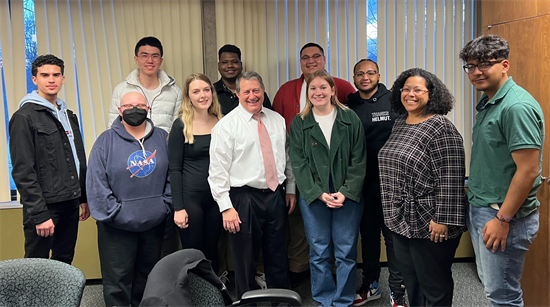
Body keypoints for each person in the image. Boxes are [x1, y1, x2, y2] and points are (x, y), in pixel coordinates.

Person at [460, 35, 544, 307]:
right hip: (485, 209)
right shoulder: (490, 102)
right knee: (494, 291)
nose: (476, 72)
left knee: (504, 297)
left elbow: (529, 170)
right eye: (470, 66)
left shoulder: (515, 106)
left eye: (484, 64)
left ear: (505, 64)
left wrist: (503, 219)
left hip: (504, 215)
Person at [378, 68, 466, 307]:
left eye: (418, 89)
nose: (410, 94)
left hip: (431, 222)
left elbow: (451, 176)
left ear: (431, 94)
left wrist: (443, 219)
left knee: (433, 286)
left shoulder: (441, 127)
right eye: (406, 89)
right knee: (412, 282)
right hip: (401, 221)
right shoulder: (400, 123)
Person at [273, 42, 356, 287]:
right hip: (299, 170)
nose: (310, 61)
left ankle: (334, 275)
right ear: (300, 62)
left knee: (338, 232)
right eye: (305, 57)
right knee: (301, 225)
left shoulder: (341, 86)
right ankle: (300, 269)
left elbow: (353, 128)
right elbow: (278, 130)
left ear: (324, 59)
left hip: (337, 174)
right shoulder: (286, 90)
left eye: (316, 56)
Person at [208, 71, 296, 301]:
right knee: (245, 260)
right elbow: (217, 171)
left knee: (277, 255)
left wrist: (290, 189)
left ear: (263, 91)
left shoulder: (277, 120)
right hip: (243, 198)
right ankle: (247, 304)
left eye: (256, 90)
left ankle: (282, 303)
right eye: (246, 91)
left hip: (276, 195)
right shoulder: (226, 126)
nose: (252, 95)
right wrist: (225, 207)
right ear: (237, 93)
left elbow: (286, 157)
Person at [289, 70, 366, 307]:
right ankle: (323, 298)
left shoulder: (350, 118)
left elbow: (359, 159)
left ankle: (342, 300)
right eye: (313, 88)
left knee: (345, 252)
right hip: (314, 194)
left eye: (323, 87)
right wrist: (317, 193)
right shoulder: (299, 123)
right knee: (319, 251)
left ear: (333, 90)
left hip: (347, 193)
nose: (318, 92)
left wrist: (346, 191)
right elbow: (298, 163)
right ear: (307, 93)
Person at [87, 92, 172, 307]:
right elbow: (96, 182)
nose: (135, 109)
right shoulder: (105, 141)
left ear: (148, 108)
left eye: (140, 105)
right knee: (117, 283)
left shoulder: (162, 138)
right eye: (129, 105)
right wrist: (115, 213)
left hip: (154, 223)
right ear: (119, 110)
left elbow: (174, 175)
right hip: (116, 227)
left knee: (149, 279)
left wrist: (164, 206)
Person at [9, 54, 89, 265]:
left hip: (70, 202)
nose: (51, 80)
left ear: (63, 79)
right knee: (37, 266)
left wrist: (83, 196)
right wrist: (39, 213)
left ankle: (60, 301)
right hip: (45, 206)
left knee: (64, 261)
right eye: (45, 75)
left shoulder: (68, 115)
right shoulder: (24, 117)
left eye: (56, 75)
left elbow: (77, 158)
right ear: (35, 79)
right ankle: (33, 301)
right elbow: (22, 170)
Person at [108, 36, 182, 256]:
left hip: (162, 166)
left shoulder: (174, 91)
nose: (150, 60)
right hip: (131, 168)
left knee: (164, 235)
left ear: (161, 59)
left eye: (155, 56)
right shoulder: (122, 89)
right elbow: (112, 128)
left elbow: (178, 128)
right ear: (136, 59)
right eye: (144, 55)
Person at [347, 59, 406, 307]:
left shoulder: (395, 100)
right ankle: (371, 285)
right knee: (368, 237)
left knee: (393, 240)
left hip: (392, 183)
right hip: (363, 183)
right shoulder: (348, 104)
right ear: (354, 78)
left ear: (379, 75)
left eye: (370, 73)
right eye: (360, 74)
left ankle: (398, 292)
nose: (365, 77)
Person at [168, 73, 223, 273]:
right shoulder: (181, 125)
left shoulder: (221, 122)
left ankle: (215, 296)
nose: (202, 95)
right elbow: (174, 169)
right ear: (188, 96)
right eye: (196, 91)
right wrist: (179, 208)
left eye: (206, 90)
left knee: (213, 250)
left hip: (216, 198)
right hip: (191, 199)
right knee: (193, 253)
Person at [213, 44, 272, 115]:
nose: (230, 66)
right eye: (225, 62)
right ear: (218, 66)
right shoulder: (211, 92)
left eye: (234, 62)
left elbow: (268, 118)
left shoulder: (257, 93)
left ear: (241, 65)